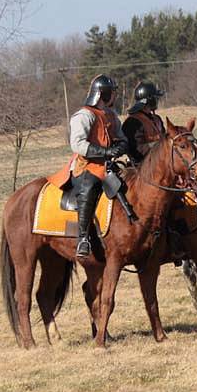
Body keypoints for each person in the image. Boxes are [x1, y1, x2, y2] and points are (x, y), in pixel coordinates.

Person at [50, 75, 127, 257]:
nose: (114, 96)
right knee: (90, 186)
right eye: (112, 92)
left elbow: (122, 138)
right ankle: (83, 238)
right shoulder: (84, 115)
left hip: (108, 165)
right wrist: (105, 152)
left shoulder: (111, 116)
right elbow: (77, 144)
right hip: (87, 166)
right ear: (103, 94)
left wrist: (120, 147)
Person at [122, 81, 166, 163]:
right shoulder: (133, 122)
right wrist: (159, 145)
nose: (157, 100)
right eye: (155, 98)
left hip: (160, 163)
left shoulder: (157, 119)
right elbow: (135, 150)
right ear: (150, 99)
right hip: (142, 167)